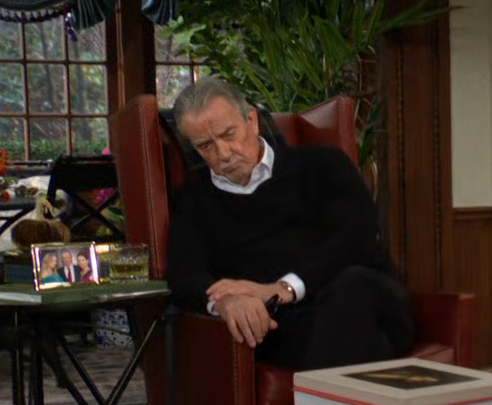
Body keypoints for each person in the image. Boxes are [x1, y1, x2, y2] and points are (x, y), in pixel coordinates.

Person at [165, 77, 414, 372]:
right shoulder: (192, 200)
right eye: (206, 145)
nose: (223, 153)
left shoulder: (323, 164)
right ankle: (372, 385)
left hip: (362, 297)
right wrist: (226, 302)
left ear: (251, 121)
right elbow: (184, 275)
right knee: (342, 339)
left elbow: (358, 240)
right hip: (288, 325)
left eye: (228, 134)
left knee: (352, 290)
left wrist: (284, 288)